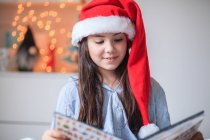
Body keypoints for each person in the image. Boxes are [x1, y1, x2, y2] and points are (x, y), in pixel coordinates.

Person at [42, 0, 171, 139]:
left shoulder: (152, 89)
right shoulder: (72, 92)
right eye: (99, 41)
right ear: (85, 45)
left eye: (118, 40)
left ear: (127, 42)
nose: (110, 49)